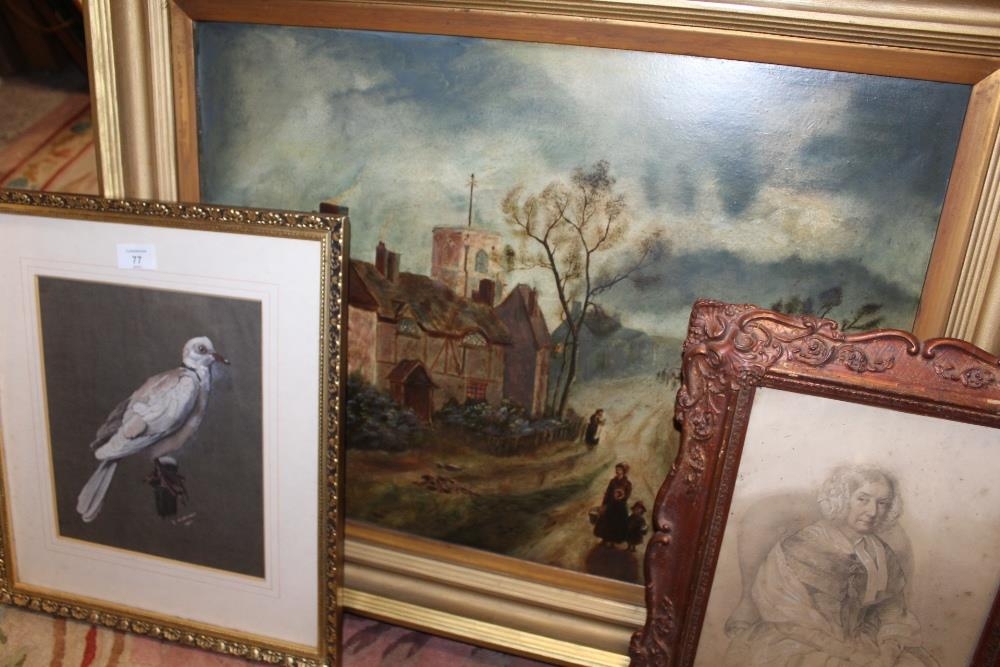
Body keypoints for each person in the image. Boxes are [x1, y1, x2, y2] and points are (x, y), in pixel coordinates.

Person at [724, 465, 939, 667]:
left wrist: (889, 650)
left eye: (882, 503)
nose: (873, 511)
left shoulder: (882, 553)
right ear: (843, 499)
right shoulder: (799, 546)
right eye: (862, 499)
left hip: (863, 643)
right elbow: (790, 620)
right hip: (802, 643)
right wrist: (854, 656)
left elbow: (892, 609)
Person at [594, 462, 631, 547]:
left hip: (620, 506)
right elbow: (608, 493)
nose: (617, 471)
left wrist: (621, 496)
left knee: (616, 523)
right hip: (610, 504)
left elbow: (627, 494)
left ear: (623, 471)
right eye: (616, 469)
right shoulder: (612, 481)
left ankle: (613, 541)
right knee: (606, 521)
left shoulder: (627, 483)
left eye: (619, 469)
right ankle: (605, 539)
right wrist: (604, 504)